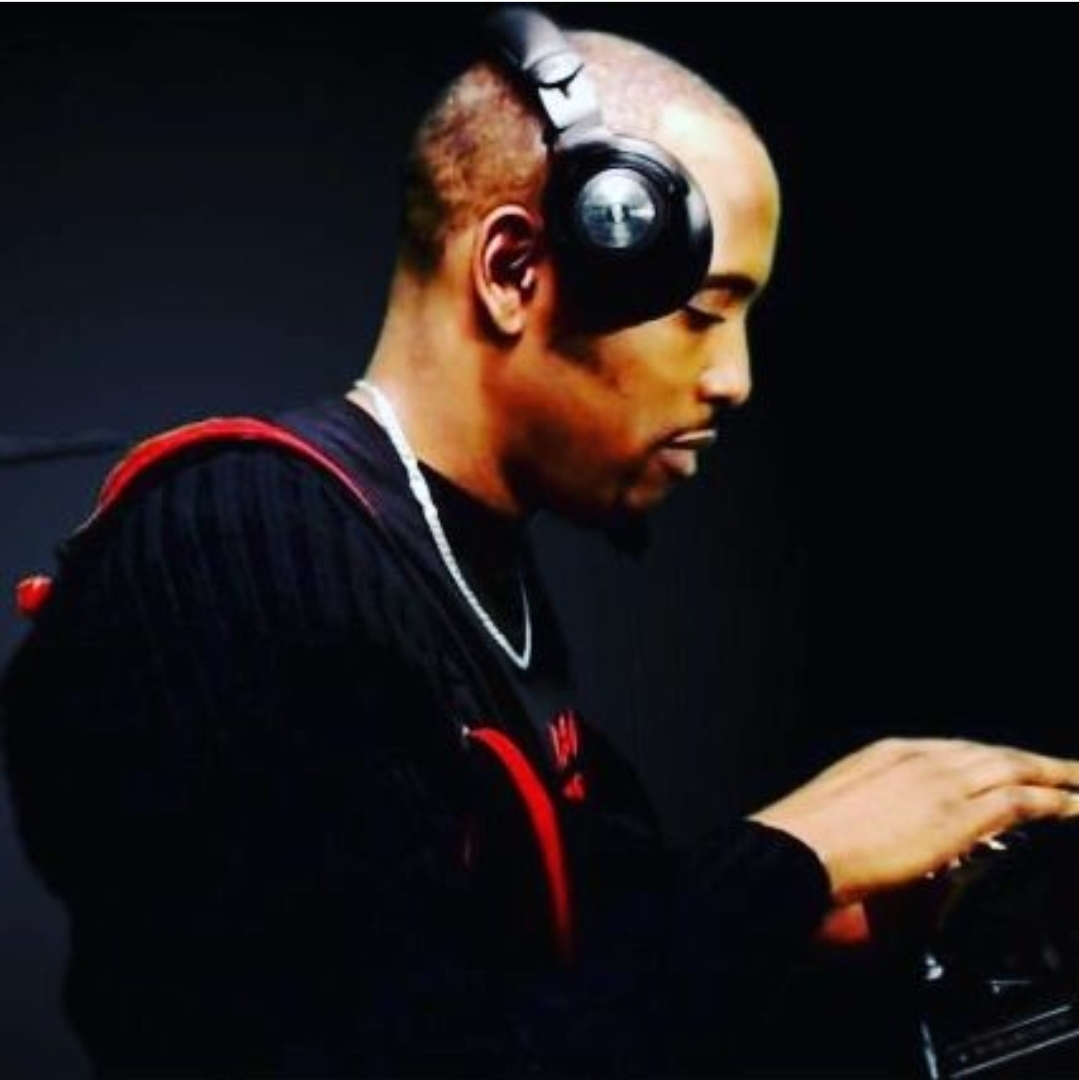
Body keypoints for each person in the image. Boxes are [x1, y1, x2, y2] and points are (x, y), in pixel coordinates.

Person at [3, 7, 1079, 1079]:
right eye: (703, 312)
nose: (735, 379)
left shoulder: (463, 577)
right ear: (513, 268)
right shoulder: (237, 547)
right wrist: (784, 865)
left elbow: (548, 981)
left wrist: (801, 914)